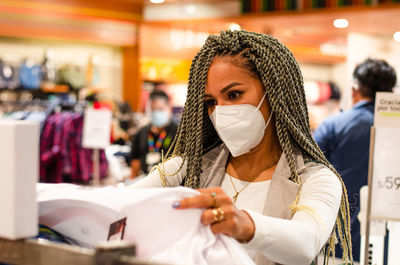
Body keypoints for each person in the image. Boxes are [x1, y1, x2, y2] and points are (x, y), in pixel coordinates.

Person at [130, 30, 353, 265]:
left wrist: (245, 225)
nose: (220, 111)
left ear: (275, 93)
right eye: (211, 102)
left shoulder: (316, 180)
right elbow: (122, 202)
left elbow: (306, 242)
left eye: (234, 94)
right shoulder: (188, 168)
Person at [313, 58, 397, 262]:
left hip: (337, 238)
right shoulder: (396, 128)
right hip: (388, 241)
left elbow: (308, 169)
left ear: (354, 90)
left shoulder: (334, 125)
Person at [130, 90, 178, 178]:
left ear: (168, 109)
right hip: (146, 179)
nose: (156, 113)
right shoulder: (141, 133)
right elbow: (135, 163)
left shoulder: (178, 132)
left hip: (170, 181)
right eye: (153, 110)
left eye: (160, 109)